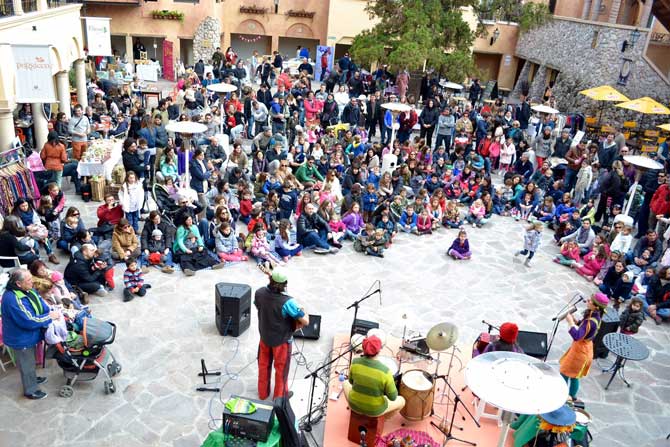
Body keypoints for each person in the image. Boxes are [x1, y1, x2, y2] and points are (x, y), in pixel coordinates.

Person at [1, 269, 60, 399]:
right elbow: (29, 320)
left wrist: (50, 310)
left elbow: (39, 303)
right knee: (26, 364)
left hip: (28, 335)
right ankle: (31, 390)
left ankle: (32, 378)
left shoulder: (27, 290)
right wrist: (49, 317)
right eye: (28, 280)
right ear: (18, 283)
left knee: (30, 360)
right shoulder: (13, 299)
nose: (32, 282)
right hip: (20, 338)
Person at [254, 268, 309, 400]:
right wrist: (303, 310)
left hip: (265, 337)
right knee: (281, 370)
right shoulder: (288, 302)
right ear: (285, 284)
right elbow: (305, 321)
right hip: (281, 342)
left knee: (263, 365)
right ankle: (279, 397)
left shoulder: (259, 293)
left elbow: (260, 306)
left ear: (270, 280)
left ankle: (263, 394)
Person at [559, 292, 609, 401]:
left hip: (580, 352)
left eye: (590, 301)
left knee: (565, 373)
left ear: (596, 306)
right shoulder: (593, 315)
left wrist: (570, 322)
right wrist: (575, 320)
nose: (587, 301)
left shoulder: (592, 321)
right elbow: (582, 326)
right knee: (573, 375)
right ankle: (571, 396)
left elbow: (577, 336)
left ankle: (567, 396)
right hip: (582, 348)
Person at [343, 335, 406, 417]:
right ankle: (385, 418)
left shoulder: (355, 362)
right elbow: (393, 397)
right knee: (402, 400)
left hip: (354, 405)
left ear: (363, 349)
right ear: (379, 350)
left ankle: (356, 410)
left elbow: (351, 382)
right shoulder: (385, 371)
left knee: (345, 383)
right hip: (375, 411)